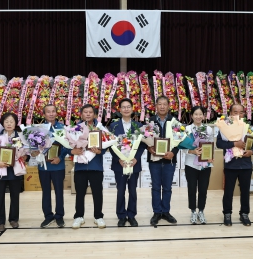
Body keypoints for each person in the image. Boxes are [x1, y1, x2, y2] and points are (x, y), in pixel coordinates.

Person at [0, 112, 26, 231]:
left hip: (15, 171)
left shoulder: (20, 137)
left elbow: (26, 153)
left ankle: (13, 219)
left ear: (15, 123)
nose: (9, 124)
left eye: (11, 121)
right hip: (0, 171)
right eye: (6, 121)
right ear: (2, 123)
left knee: (15, 196)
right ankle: (0, 222)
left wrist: (25, 157)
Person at [217, 103, 253, 226]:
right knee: (228, 191)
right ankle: (227, 214)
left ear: (244, 113)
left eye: (241, 112)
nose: (238, 114)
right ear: (230, 114)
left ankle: (244, 214)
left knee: (245, 191)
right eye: (235, 112)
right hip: (231, 165)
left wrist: (252, 151)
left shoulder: (248, 127)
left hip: (246, 165)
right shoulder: (224, 127)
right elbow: (219, 144)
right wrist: (234, 144)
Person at [108, 98, 144, 227]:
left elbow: (142, 145)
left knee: (133, 191)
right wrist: (118, 159)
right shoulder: (113, 126)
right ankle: (121, 216)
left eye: (128, 106)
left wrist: (136, 158)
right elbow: (110, 145)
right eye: (123, 107)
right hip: (120, 164)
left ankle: (132, 215)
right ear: (120, 110)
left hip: (134, 164)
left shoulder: (139, 126)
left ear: (132, 109)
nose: (126, 109)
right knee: (121, 191)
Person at [71, 104, 106, 229]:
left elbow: (107, 144)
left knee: (97, 193)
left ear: (95, 114)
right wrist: (72, 151)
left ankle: (98, 216)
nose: (88, 114)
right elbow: (68, 144)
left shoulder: (100, 128)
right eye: (85, 112)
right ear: (81, 115)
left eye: (90, 112)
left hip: (96, 166)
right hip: (80, 167)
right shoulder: (75, 129)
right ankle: (79, 216)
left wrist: (100, 151)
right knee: (80, 193)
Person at [35, 105, 69, 228]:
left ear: (56, 113)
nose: (51, 114)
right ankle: (48, 216)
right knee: (46, 192)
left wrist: (60, 157)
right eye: (48, 112)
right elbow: (34, 146)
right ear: (44, 114)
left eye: (53, 111)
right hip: (43, 166)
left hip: (58, 165)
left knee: (59, 192)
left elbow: (67, 146)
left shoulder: (62, 128)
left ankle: (59, 216)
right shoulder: (38, 129)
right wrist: (36, 152)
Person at [147, 96, 179, 226]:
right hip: (154, 160)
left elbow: (179, 140)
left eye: (164, 104)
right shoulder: (150, 121)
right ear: (156, 106)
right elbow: (144, 139)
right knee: (155, 187)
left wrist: (173, 152)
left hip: (169, 160)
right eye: (159, 104)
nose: (162, 106)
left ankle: (165, 211)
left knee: (167, 188)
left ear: (168, 106)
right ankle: (156, 212)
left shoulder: (174, 121)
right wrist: (148, 147)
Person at [184, 106, 213, 224]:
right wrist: (192, 151)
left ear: (204, 116)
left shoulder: (208, 129)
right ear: (191, 116)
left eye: (200, 114)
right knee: (192, 189)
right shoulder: (187, 129)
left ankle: (201, 211)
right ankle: (193, 211)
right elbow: (182, 147)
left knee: (203, 189)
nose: (198, 116)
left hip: (205, 164)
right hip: (191, 164)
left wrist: (210, 156)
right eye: (196, 114)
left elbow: (211, 144)